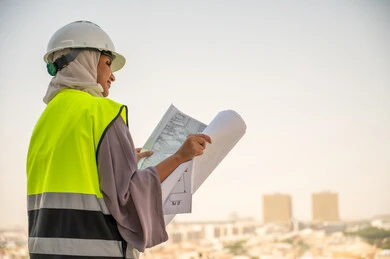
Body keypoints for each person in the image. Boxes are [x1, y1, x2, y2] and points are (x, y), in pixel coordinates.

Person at [26, 20, 211, 259]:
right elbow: (128, 196)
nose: (112, 77)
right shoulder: (102, 112)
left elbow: (76, 176)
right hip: (96, 251)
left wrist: (119, 162)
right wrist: (180, 156)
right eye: (107, 64)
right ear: (87, 60)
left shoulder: (45, 119)